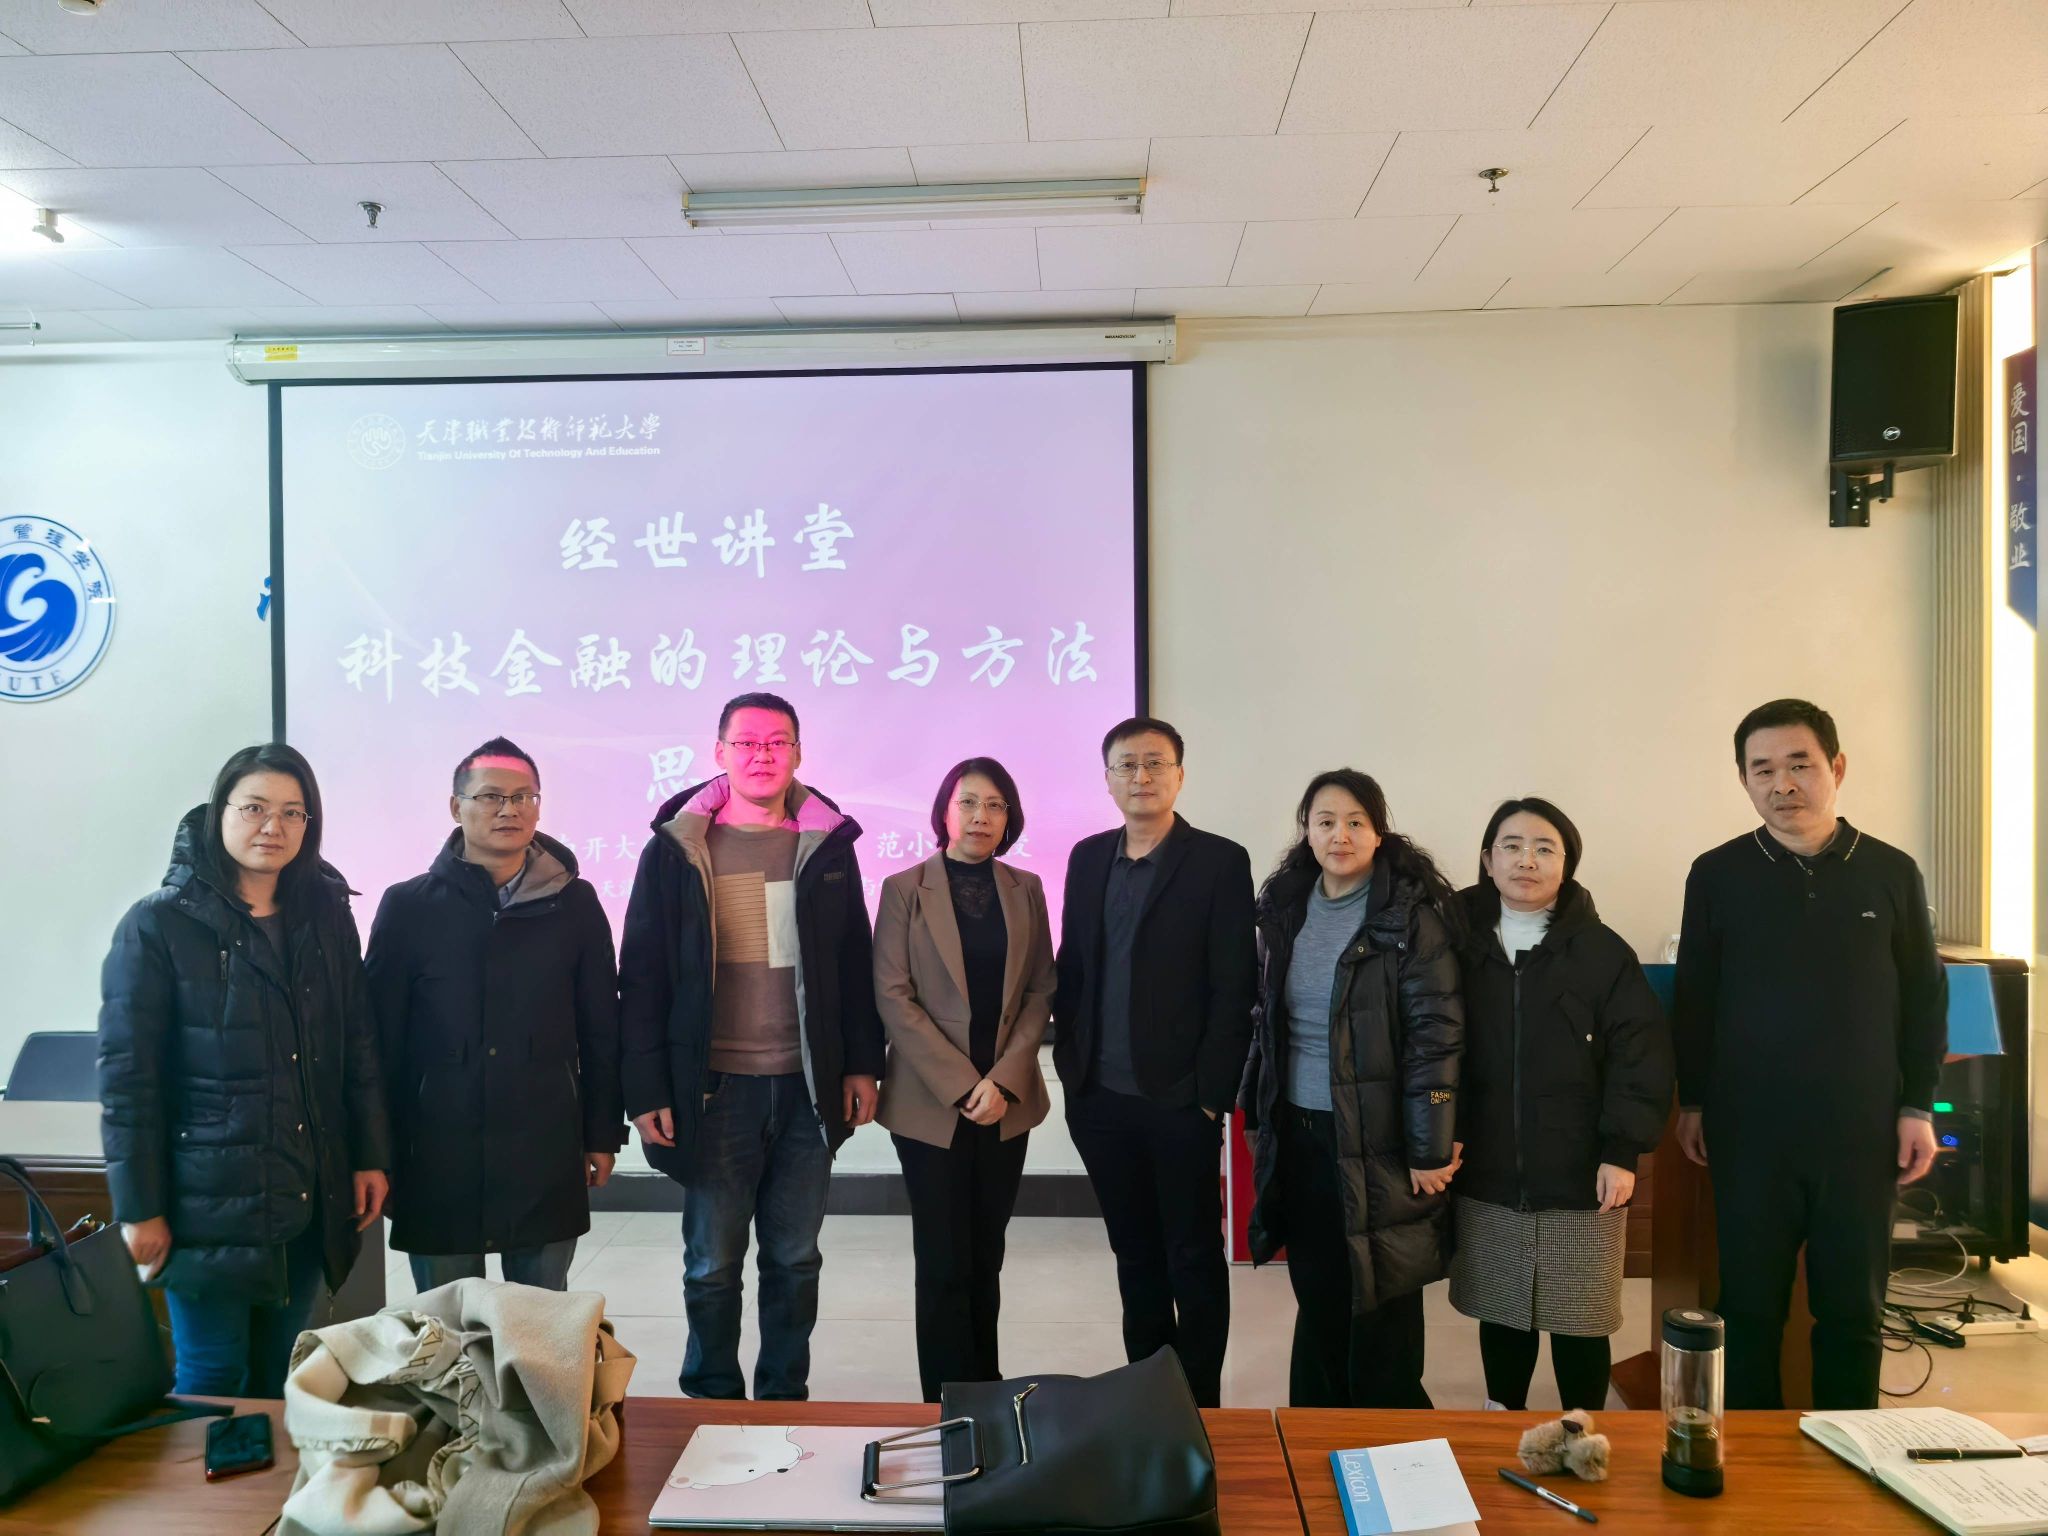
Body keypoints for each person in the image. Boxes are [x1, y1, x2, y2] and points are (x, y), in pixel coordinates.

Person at [1674, 698, 1946, 1410]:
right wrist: (1693, 1100)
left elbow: (1925, 998)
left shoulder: (1890, 871)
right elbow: (1696, 999)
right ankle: (1751, 1460)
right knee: (1748, 1309)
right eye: (1762, 769)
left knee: (1853, 1311)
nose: (1782, 783)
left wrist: (1918, 1106)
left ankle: (1850, 1454)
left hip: (1861, 1131)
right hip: (1749, 1130)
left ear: (1837, 768)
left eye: (1799, 764)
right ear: (1744, 779)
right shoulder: (1717, 874)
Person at [97, 743, 391, 1397]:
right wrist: (140, 1208)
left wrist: (369, 1155)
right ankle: (205, 1473)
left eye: (293, 812)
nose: (272, 826)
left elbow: (357, 1043)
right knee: (211, 1377)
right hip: (207, 1201)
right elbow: (128, 1082)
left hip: (306, 1191)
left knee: (278, 1374)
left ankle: (259, 1473)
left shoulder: (324, 916)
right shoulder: (158, 924)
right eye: (254, 808)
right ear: (219, 813)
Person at [620, 693, 884, 1400]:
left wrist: (863, 1063)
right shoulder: (677, 849)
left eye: (777, 742)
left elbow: (853, 960)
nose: (762, 755)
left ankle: (782, 1398)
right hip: (714, 1087)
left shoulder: (826, 844)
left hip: (806, 1085)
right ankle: (710, 1395)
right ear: (720, 753)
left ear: (797, 752)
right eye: (747, 743)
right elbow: (641, 974)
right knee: (711, 1262)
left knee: (795, 1259)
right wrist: (645, 1089)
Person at [365, 737, 624, 1293]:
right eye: (490, 796)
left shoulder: (574, 903)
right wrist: (375, 1152)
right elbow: (378, 1041)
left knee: (539, 1327)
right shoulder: (408, 906)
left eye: (523, 796)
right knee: (447, 1327)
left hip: (544, 1147)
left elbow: (602, 1028)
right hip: (437, 1150)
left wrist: (602, 1134)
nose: (509, 809)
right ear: (456, 807)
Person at [1240, 769, 1463, 1408]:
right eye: (1326, 822)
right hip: (1301, 1129)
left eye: (1355, 822)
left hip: (1381, 1137)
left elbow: (1436, 1039)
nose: (1340, 835)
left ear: (1378, 832)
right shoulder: (1285, 911)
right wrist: (1257, 1112)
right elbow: (1266, 1021)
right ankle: (1317, 1427)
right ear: (1307, 833)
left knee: (1383, 1292)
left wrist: (1430, 1146)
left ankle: (1388, 1437)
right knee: (1318, 1289)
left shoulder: (1409, 919)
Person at [1053, 717, 1255, 1408]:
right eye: (1127, 765)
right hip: (1099, 1097)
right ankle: (1148, 1399)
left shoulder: (1219, 861)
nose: (1141, 777)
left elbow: (1235, 985)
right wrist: (1073, 1070)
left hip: (1180, 1101)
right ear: (1108, 779)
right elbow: (1073, 969)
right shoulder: (1087, 858)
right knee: (1133, 1254)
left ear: (1179, 774)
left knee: (1191, 1255)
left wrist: (1211, 1095)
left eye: (1155, 763)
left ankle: (1199, 1405)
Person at [1448, 797, 1672, 1412]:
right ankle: (1503, 1417)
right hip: (1487, 1165)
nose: (1527, 860)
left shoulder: (1602, 952)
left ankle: (1585, 1430)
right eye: (1512, 846)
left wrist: (1622, 1149)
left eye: (1545, 848)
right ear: (1488, 860)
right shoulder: (1454, 945)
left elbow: (1639, 1054)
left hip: (1582, 1170)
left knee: (1582, 1317)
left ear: (1567, 864)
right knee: (1502, 1311)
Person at [874, 757, 1056, 1402]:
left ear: (1010, 818)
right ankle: (949, 1399)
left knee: (987, 1254)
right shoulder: (904, 888)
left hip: (1007, 1103)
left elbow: (1041, 989)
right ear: (945, 812)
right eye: (969, 803)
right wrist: (962, 1084)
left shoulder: (1025, 887)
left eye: (995, 805)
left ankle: (987, 1389)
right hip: (930, 1104)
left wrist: (1002, 1081)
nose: (982, 816)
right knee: (943, 1259)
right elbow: (893, 995)